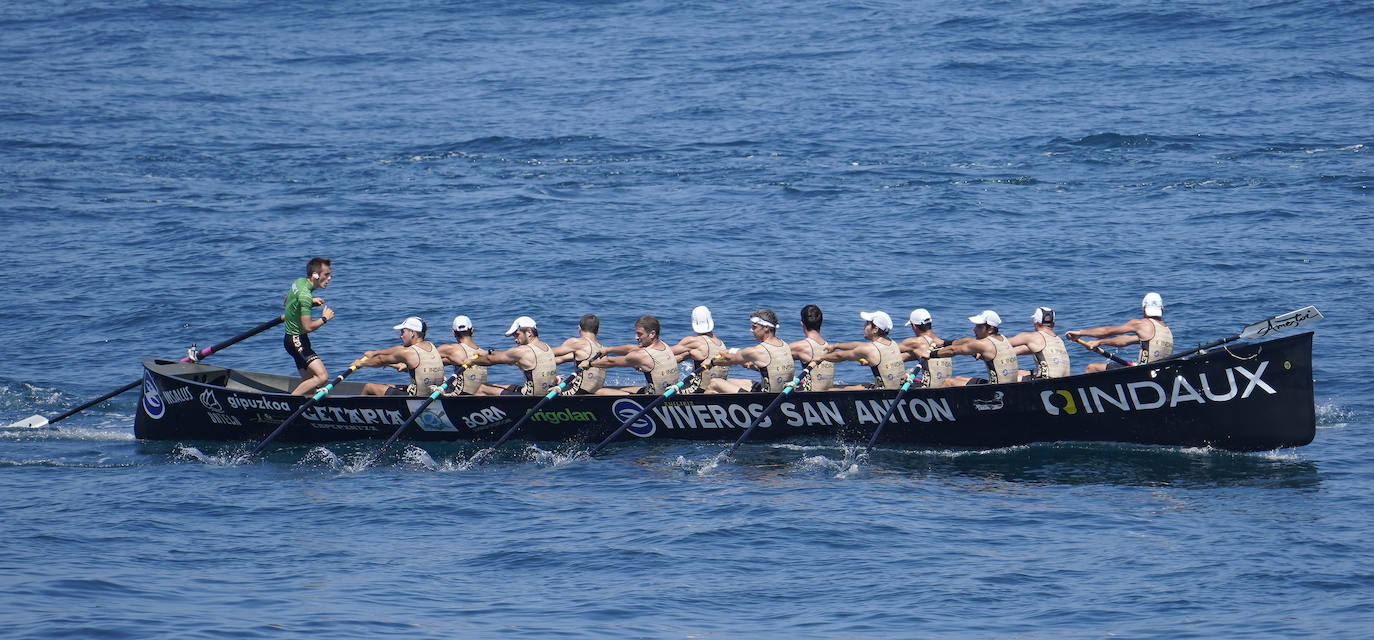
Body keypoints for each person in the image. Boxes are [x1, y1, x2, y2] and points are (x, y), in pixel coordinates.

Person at [1065, 292, 1175, 373]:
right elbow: (1126, 340)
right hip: (1160, 373)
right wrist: (1099, 343)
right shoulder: (1166, 330)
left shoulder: (1141, 324)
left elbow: (1107, 331)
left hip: (1142, 373)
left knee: (1092, 368)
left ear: (1143, 308)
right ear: (1162, 309)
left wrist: (1080, 333)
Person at [587, 315, 681, 394]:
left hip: (653, 400)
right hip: (671, 393)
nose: (636, 337)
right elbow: (631, 348)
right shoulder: (663, 345)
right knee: (623, 390)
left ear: (652, 334)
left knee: (600, 392)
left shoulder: (641, 355)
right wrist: (608, 350)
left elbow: (611, 361)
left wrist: (589, 364)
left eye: (639, 334)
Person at [921, 310, 1019, 385]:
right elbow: (968, 341)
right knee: (958, 378)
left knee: (948, 382)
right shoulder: (1002, 338)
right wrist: (944, 343)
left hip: (994, 390)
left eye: (979, 327)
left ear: (990, 329)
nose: (974, 329)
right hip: (1007, 387)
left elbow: (953, 350)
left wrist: (930, 355)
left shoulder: (983, 344)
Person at [282, 257, 335, 395]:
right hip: (297, 340)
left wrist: (310, 301)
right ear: (315, 275)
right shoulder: (305, 295)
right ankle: (289, 403)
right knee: (322, 376)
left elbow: (287, 300)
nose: (329, 278)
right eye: (326, 275)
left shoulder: (299, 282)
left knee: (311, 384)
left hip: (291, 340)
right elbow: (308, 327)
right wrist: (324, 319)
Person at [357, 317, 447, 396]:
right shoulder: (431, 346)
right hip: (434, 394)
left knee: (368, 387)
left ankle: (357, 411)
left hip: (416, 398)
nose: (400, 336)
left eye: (403, 332)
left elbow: (381, 360)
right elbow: (400, 352)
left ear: (412, 333)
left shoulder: (409, 352)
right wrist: (374, 353)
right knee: (390, 386)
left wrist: (361, 363)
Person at [820, 311, 908, 390]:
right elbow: (857, 345)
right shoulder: (892, 343)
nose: (864, 326)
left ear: (875, 329)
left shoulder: (869, 349)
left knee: (835, 390)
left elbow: (840, 356)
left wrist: (821, 357)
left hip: (883, 394)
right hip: (899, 388)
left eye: (867, 323)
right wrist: (836, 345)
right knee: (856, 386)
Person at [472, 316, 559, 395]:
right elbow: (501, 354)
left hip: (529, 399)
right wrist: (486, 353)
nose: (515, 340)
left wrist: (472, 361)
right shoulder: (546, 347)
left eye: (517, 335)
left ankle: (470, 412)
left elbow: (490, 360)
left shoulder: (523, 351)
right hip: (546, 394)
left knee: (482, 389)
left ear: (529, 332)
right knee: (495, 385)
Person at [716, 309, 797, 393]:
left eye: (754, 327)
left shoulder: (759, 350)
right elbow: (771, 367)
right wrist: (747, 363)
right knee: (729, 382)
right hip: (783, 393)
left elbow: (728, 360)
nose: (751, 330)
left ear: (766, 327)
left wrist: (712, 362)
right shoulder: (785, 345)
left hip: (766, 400)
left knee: (715, 383)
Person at [671, 306, 733, 393]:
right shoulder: (721, 343)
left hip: (699, 391)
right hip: (717, 391)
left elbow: (664, 354)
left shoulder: (694, 341)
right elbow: (683, 356)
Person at [435, 315, 496, 395]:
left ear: (453, 333)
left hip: (458, 395)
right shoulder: (483, 353)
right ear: (472, 330)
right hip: (480, 395)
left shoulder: (451, 349)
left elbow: (426, 358)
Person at [1006, 307, 1071, 381]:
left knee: (1011, 375)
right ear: (1053, 324)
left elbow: (1000, 344)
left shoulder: (1032, 337)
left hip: (1045, 382)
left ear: (1035, 321)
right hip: (1064, 382)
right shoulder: (1058, 340)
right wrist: (1011, 352)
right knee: (1022, 372)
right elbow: (1028, 349)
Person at [551, 314, 608, 395]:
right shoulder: (602, 350)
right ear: (598, 330)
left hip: (578, 391)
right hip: (593, 391)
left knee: (547, 390)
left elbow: (548, 353)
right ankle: (559, 381)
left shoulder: (579, 343)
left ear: (579, 328)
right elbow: (561, 359)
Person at [898, 308, 951, 388]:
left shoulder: (916, 342)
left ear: (914, 326)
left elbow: (889, 350)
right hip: (946, 388)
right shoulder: (941, 342)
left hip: (929, 390)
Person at [788, 304, 834, 391]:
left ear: (802, 324)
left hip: (808, 396)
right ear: (821, 323)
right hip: (826, 394)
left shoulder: (802, 346)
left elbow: (775, 358)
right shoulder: (828, 347)